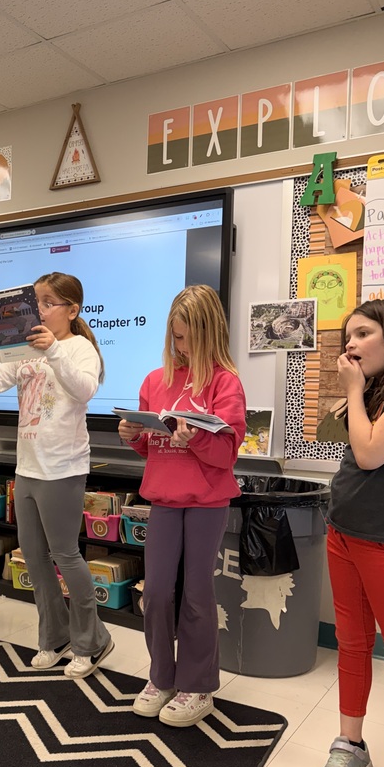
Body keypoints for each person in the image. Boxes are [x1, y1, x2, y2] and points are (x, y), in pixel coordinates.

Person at [0, 272, 114, 679]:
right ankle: (54, 637)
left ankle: (92, 641)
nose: (40, 310)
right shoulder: (25, 350)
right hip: (28, 466)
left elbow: (85, 390)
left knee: (66, 556)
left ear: (72, 309)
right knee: (33, 556)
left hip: (62, 467)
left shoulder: (78, 347)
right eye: (37, 302)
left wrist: (53, 352)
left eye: (48, 303)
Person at [118, 285, 245, 726]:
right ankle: (161, 677)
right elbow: (151, 447)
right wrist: (134, 436)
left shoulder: (225, 382)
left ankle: (197, 686)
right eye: (175, 337)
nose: (180, 346)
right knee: (154, 594)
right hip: (164, 500)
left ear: (209, 334)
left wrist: (197, 439)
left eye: (188, 338)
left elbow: (227, 454)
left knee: (196, 594)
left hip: (208, 502)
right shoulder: (154, 381)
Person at [316, 299, 384, 767]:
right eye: (346, 336)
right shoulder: (377, 390)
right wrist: (354, 398)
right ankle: (350, 746)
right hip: (344, 535)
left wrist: (353, 393)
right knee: (352, 643)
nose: (349, 345)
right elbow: (348, 450)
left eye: (362, 334)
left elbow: (374, 454)